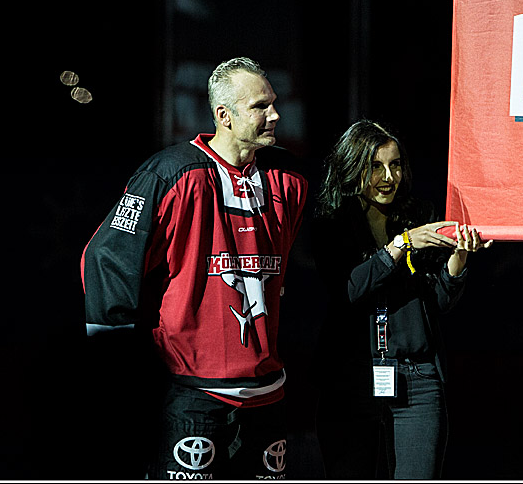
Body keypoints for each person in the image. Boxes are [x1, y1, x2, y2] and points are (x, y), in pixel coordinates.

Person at [81, 57, 307, 479]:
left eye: (274, 103)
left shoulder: (289, 178)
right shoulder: (168, 174)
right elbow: (107, 258)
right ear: (224, 115)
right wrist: (114, 374)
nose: (275, 114)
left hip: (269, 394)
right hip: (189, 395)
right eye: (261, 106)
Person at [312, 120, 491, 479]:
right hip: (352, 378)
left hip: (418, 380)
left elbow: (439, 300)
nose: (388, 176)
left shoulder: (416, 217)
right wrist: (401, 245)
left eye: (395, 165)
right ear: (353, 166)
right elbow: (350, 289)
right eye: (375, 166)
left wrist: (459, 257)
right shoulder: (331, 222)